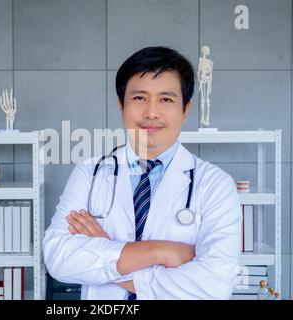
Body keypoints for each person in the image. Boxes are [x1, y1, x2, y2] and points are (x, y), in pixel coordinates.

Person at [43, 46, 242, 300]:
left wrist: (109, 253)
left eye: (166, 99)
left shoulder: (215, 185)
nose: (151, 112)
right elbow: (58, 258)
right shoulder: (89, 173)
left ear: (186, 108)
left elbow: (213, 287)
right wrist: (159, 252)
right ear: (121, 104)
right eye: (139, 98)